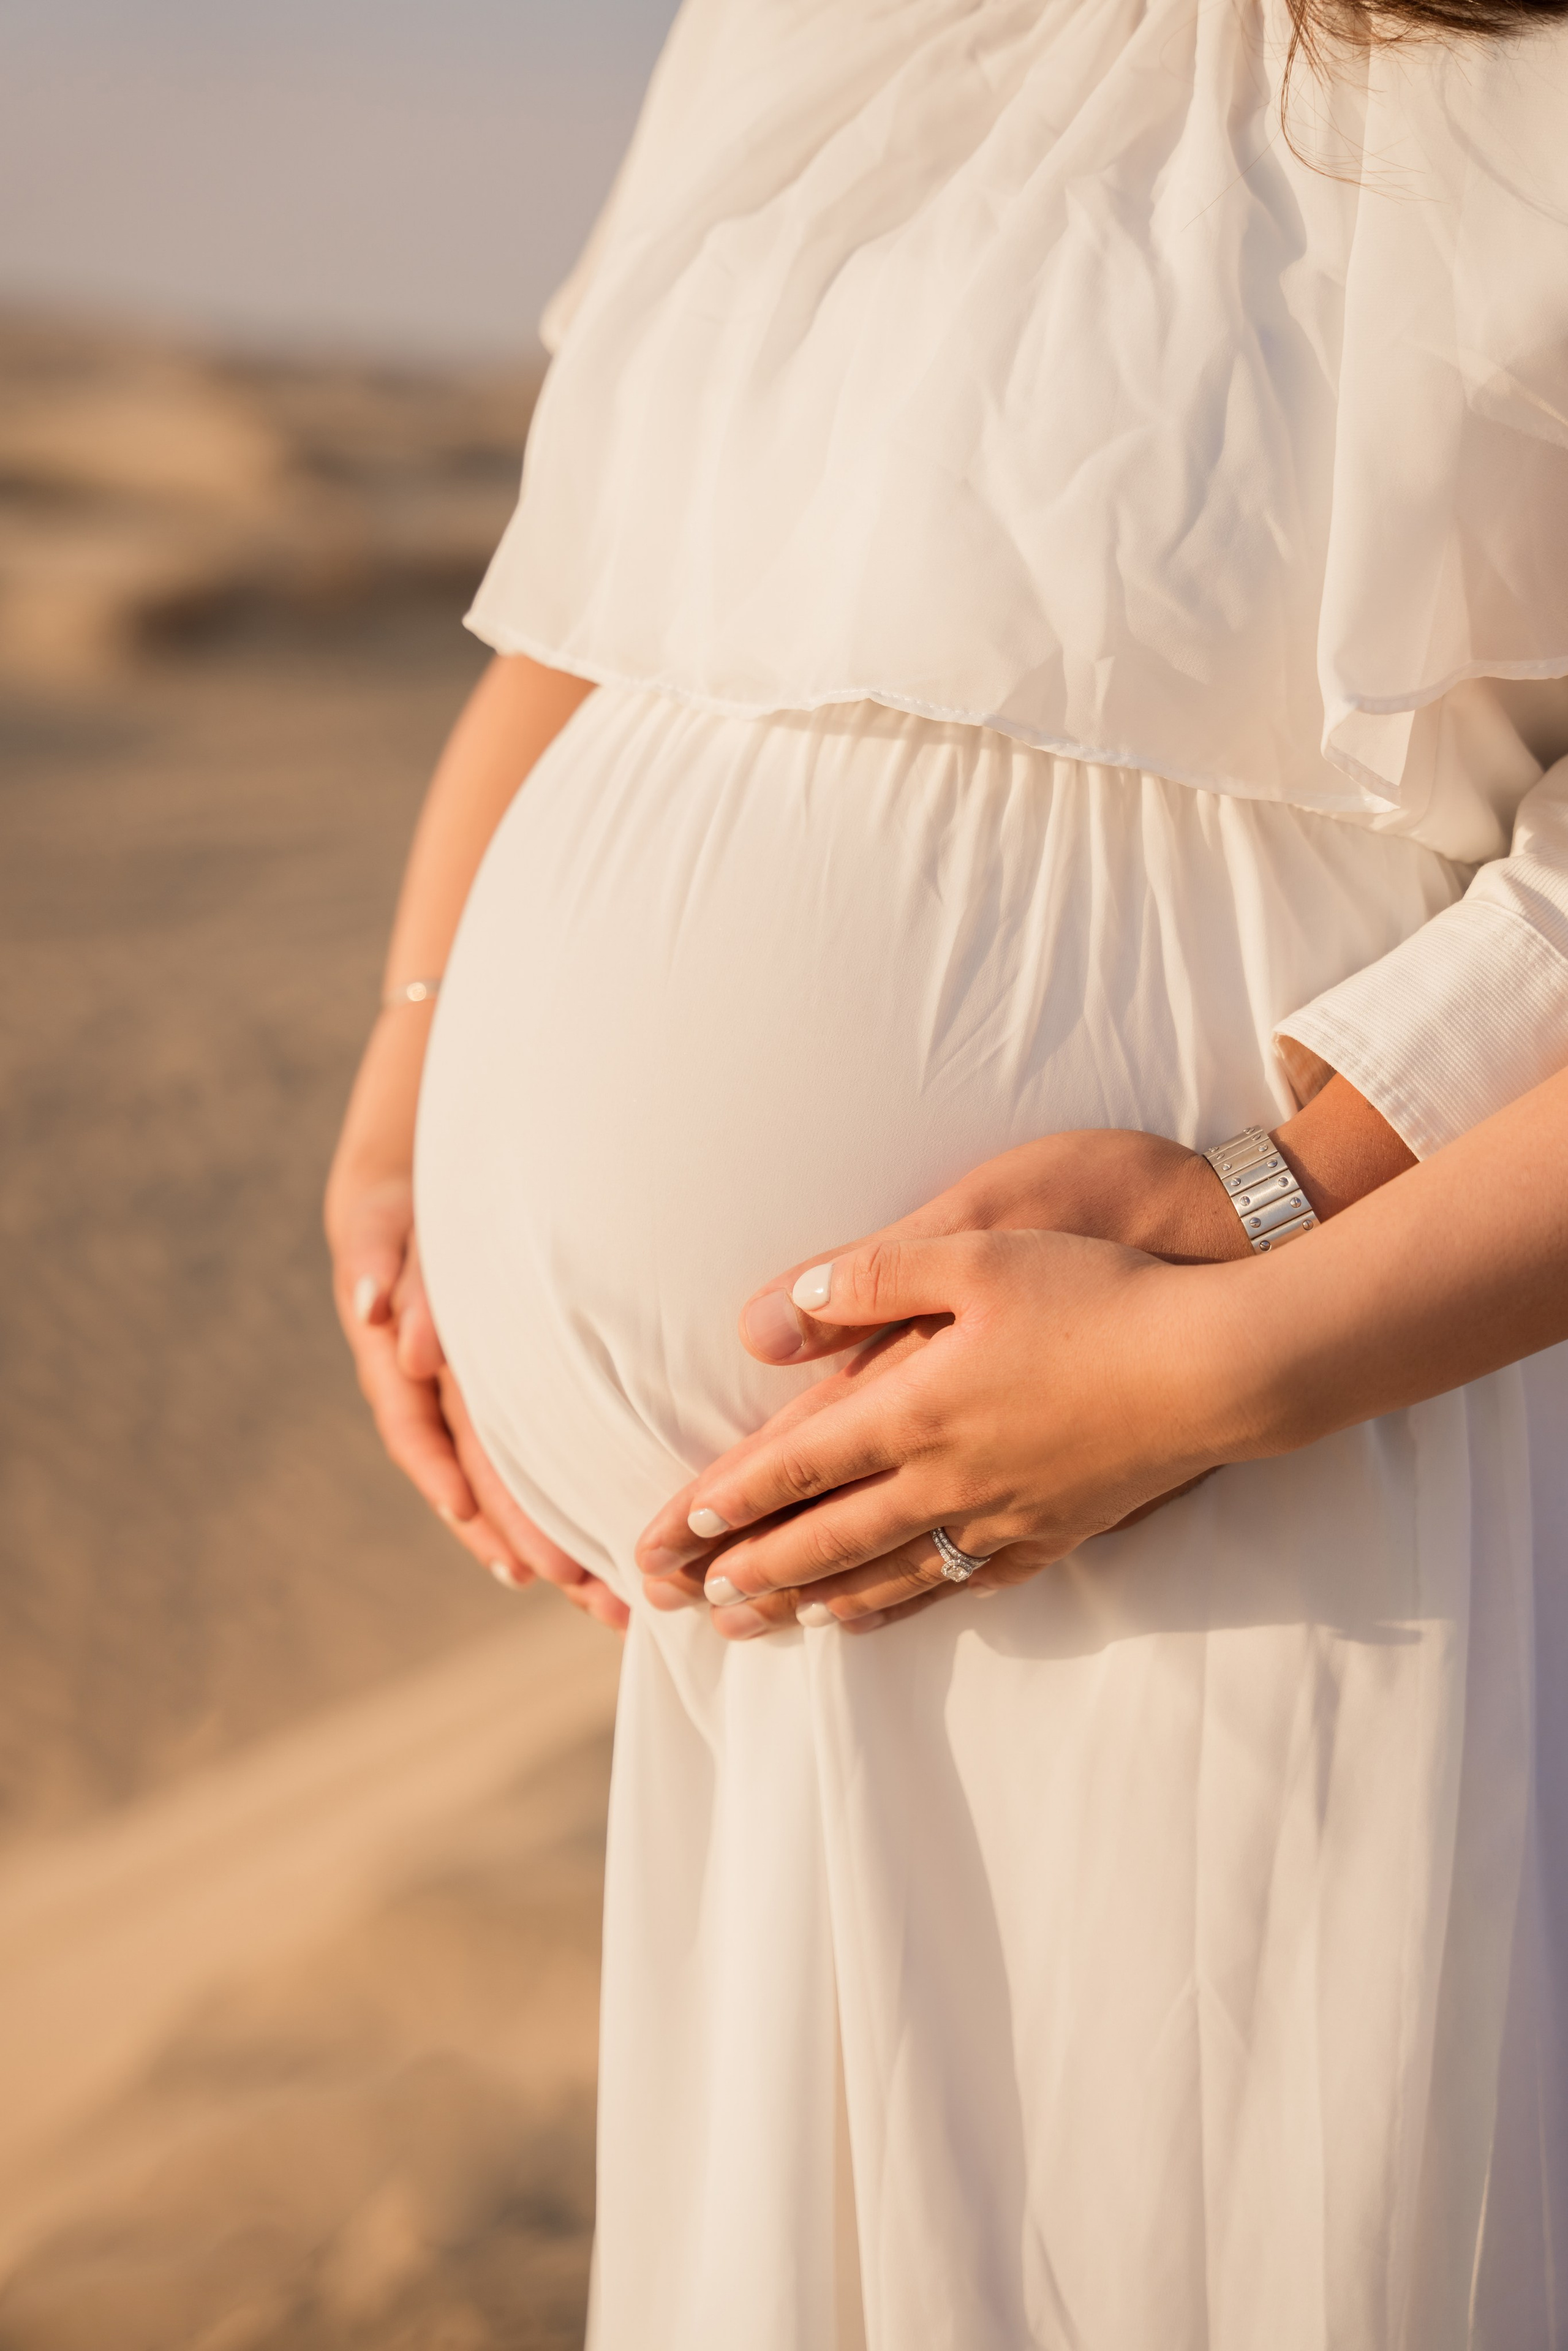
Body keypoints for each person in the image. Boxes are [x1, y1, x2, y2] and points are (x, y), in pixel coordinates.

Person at [325, 1, 1568, 2341]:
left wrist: (1258, 1272)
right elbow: (610, 601)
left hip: (1268, 1493)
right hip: (786, 1645)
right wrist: (417, 1067)